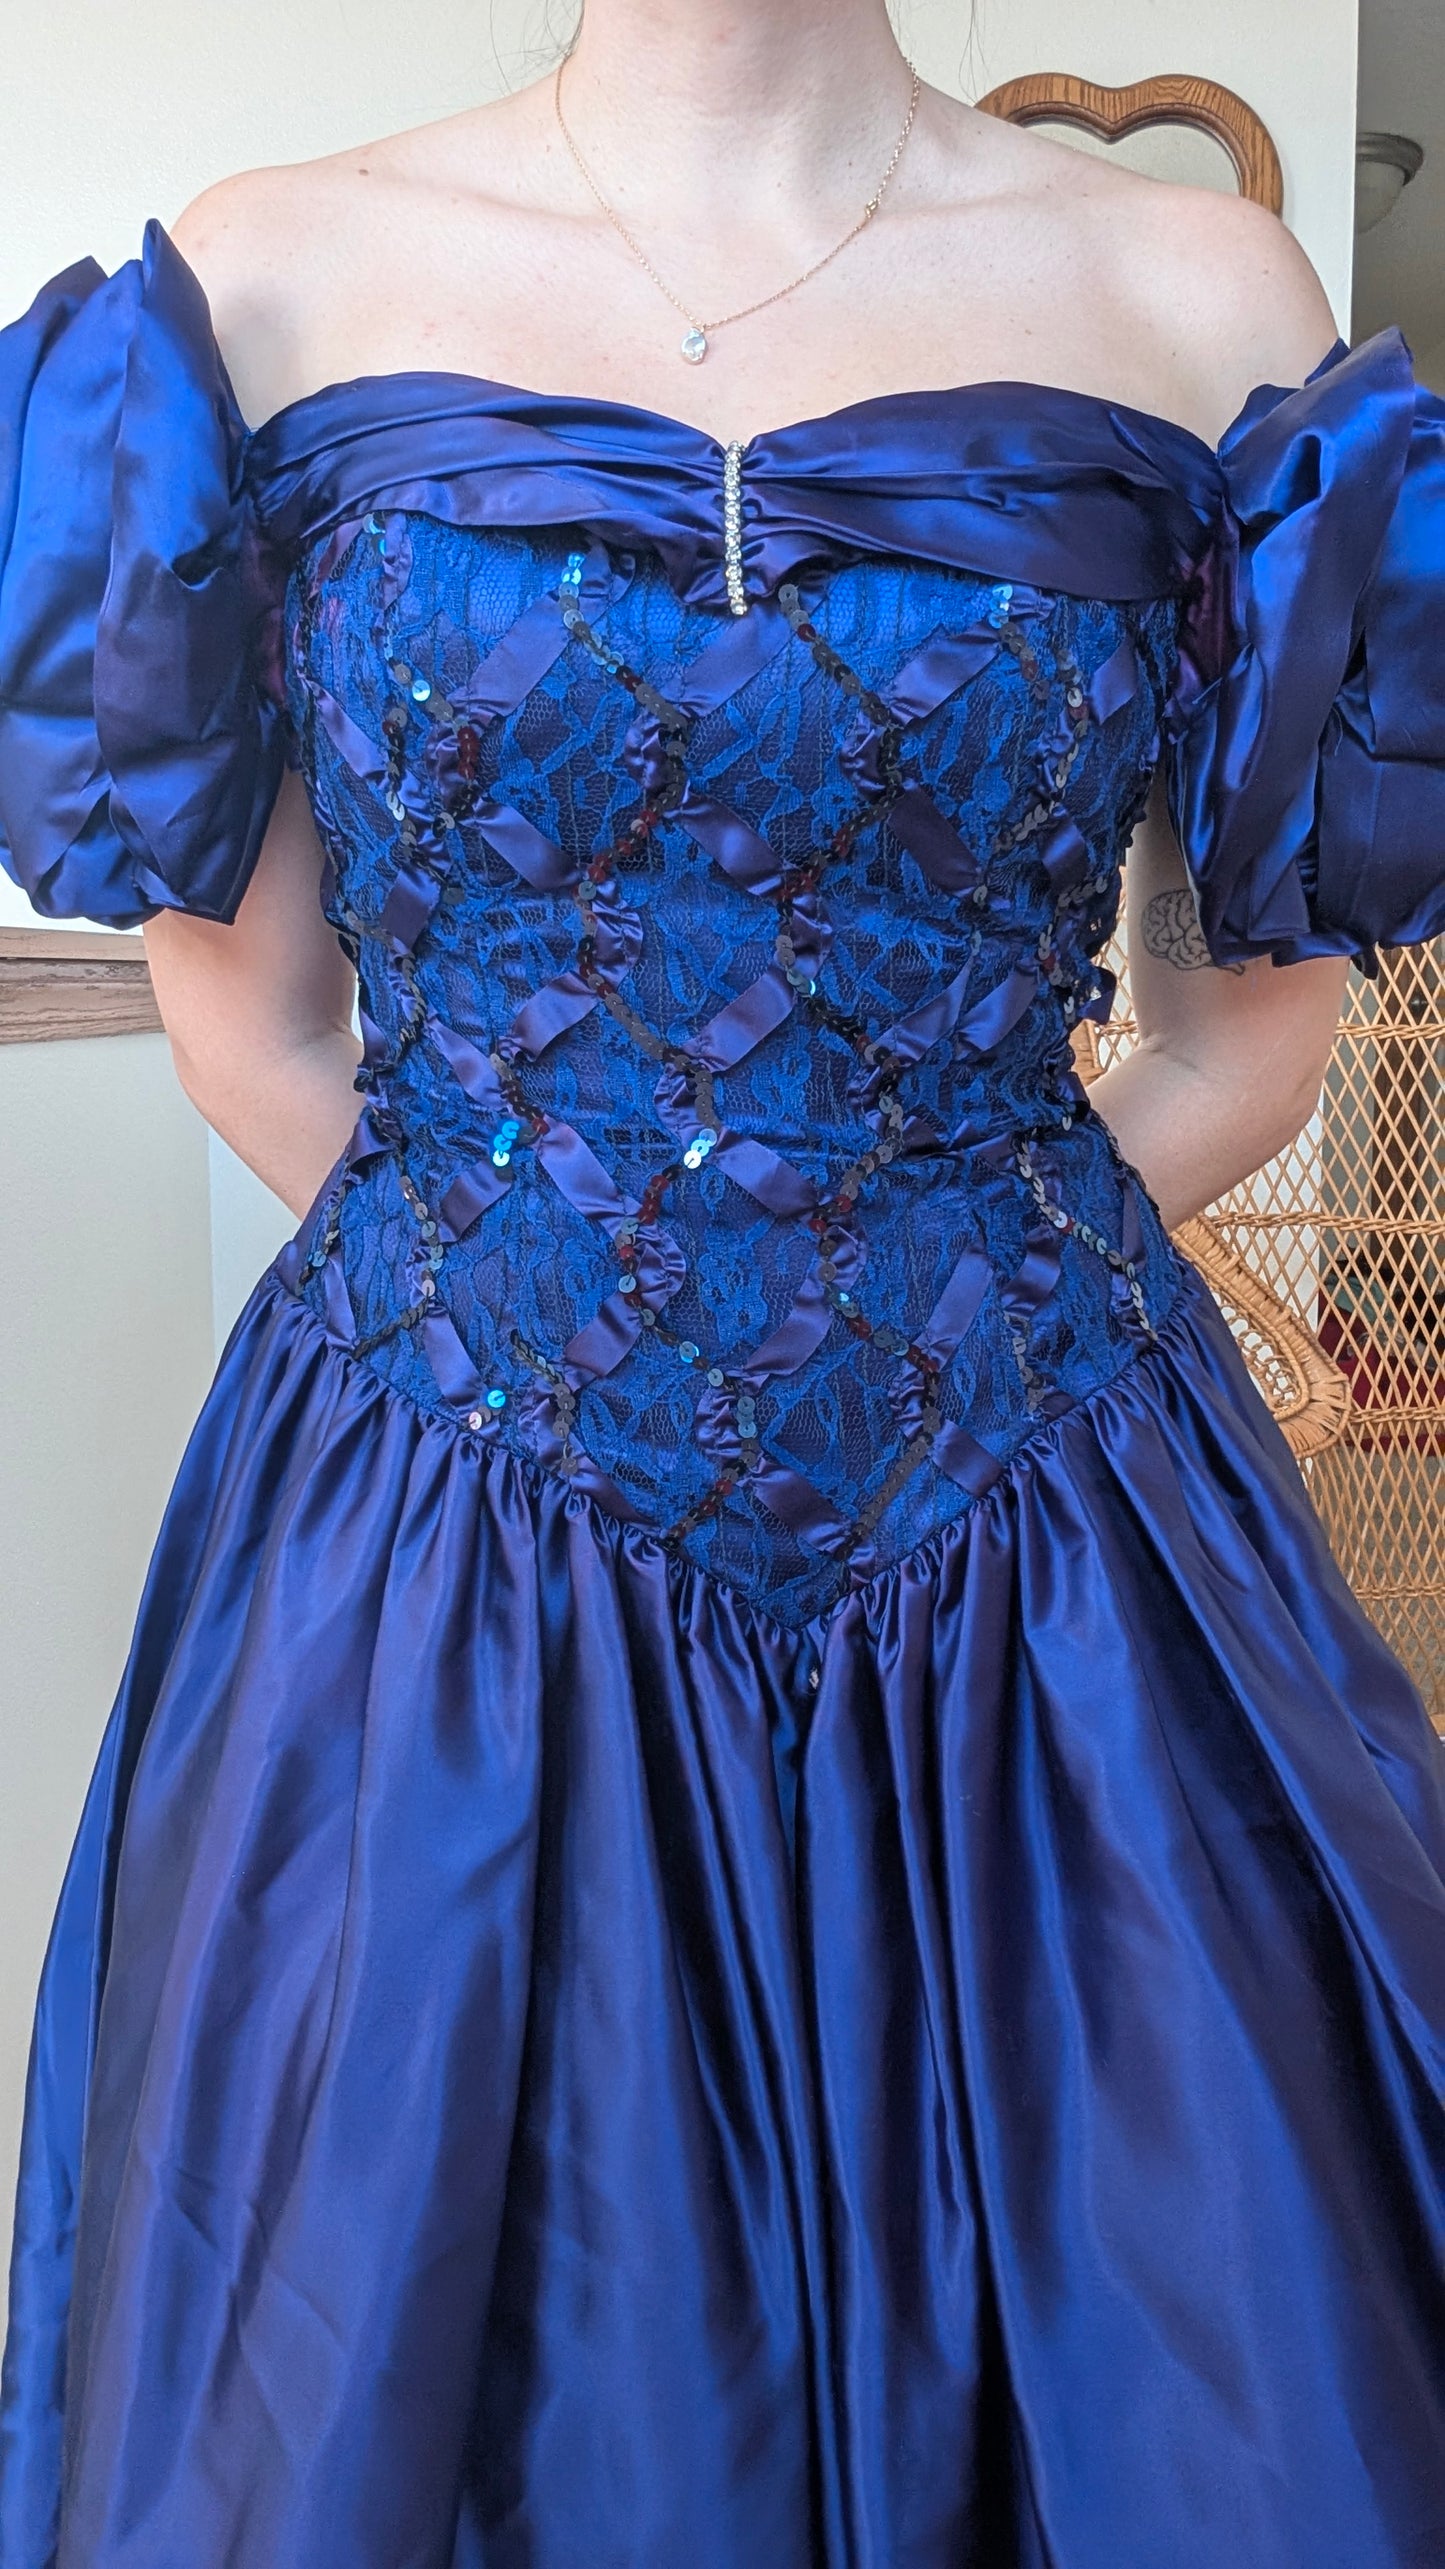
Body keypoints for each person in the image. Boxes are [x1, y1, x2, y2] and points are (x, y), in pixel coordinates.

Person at [1, 2, 1443, 2560]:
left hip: (1049, 1568)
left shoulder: (1203, 295)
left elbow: (1243, 1044)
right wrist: (540, 1324)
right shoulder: (264, 287)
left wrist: (947, 1278)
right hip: (431, 1587)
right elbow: (265, 1034)